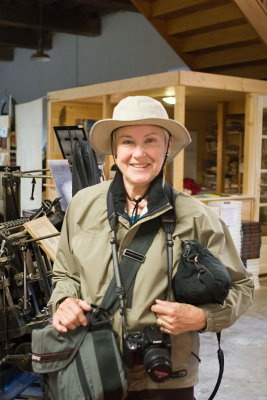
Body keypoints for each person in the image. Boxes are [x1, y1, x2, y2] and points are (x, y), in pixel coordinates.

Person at [48, 96, 254, 400]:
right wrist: (64, 301)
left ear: (167, 148)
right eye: (128, 142)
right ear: (115, 151)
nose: (139, 153)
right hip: (93, 367)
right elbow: (66, 274)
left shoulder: (196, 216)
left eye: (151, 141)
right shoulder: (83, 206)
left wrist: (202, 318)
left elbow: (242, 287)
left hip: (167, 377)